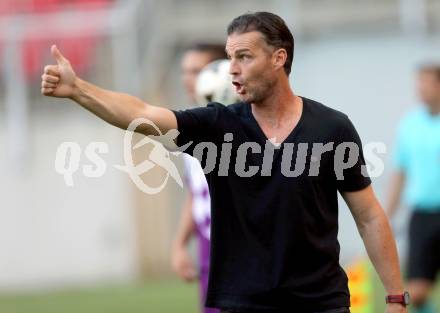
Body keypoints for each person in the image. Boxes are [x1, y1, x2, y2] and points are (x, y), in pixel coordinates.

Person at [41, 11, 407, 313]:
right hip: (242, 303)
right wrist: (79, 90)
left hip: (321, 303)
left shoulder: (332, 128)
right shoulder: (217, 126)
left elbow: (369, 215)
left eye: (244, 57)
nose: (231, 69)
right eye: (230, 57)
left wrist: (394, 297)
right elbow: (141, 113)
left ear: (279, 58)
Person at [172, 43, 226, 313]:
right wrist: (181, 244)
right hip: (208, 247)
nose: (187, 79)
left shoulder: (237, 123)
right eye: (185, 71)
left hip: (240, 247)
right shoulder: (189, 124)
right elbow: (196, 192)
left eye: (196, 71)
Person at [387, 64, 440, 313]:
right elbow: (401, 172)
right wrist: (388, 214)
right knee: (416, 293)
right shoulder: (410, 124)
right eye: (418, 83)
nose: (420, 89)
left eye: (426, 83)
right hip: (422, 216)